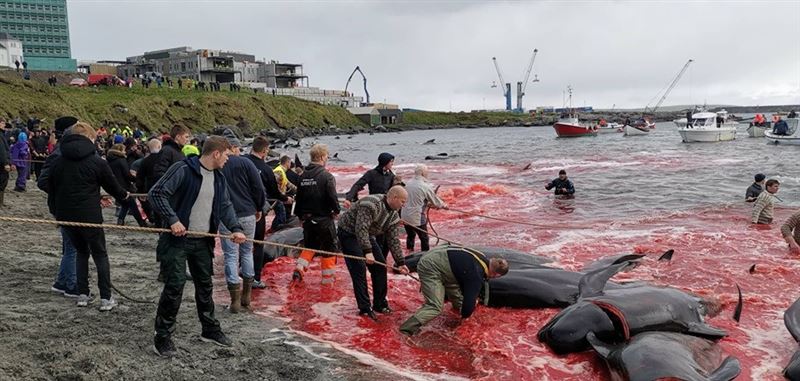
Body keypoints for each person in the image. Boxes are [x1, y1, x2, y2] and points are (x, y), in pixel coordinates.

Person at [148, 136, 246, 357]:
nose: (229, 160)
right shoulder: (182, 169)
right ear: (216, 154)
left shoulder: (219, 178)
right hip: (176, 241)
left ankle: (210, 329)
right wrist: (173, 219)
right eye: (227, 155)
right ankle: (162, 338)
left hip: (202, 241)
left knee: (205, 285)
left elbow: (225, 205)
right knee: (175, 287)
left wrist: (236, 228)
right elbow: (156, 193)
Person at [47, 122, 130, 311]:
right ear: (89, 139)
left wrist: (56, 213)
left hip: (66, 216)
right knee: (100, 254)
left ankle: (83, 295)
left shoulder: (57, 161)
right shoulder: (96, 162)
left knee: (81, 253)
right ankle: (105, 298)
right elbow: (113, 186)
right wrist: (124, 196)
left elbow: (52, 190)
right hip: (90, 216)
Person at [399, 245, 509, 335]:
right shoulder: (476, 276)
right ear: (496, 275)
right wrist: (465, 317)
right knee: (435, 306)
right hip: (431, 266)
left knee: (455, 291)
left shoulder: (482, 257)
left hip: (440, 258)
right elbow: (468, 305)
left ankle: (456, 308)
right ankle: (406, 329)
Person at [338, 186, 410, 320]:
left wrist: (400, 262)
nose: (404, 205)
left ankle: (380, 304)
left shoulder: (394, 216)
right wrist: (367, 251)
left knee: (380, 266)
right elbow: (361, 228)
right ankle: (365, 309)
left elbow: (393, 240)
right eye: (402, 201)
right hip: (348, 232)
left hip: (368, 234)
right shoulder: (371, 204)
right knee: (359, 269)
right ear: (394, 198)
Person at [218, 130, 265, 313]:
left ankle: (235, 300)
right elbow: (258, 187)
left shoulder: (218, 165)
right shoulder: (246, 162)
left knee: (230, 255)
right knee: (247, 252)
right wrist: (260, 207)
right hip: (247, 214)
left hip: (226, 215)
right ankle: (247, 296)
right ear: (234, 147)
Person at [39, 116, 82, 297]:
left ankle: (61, 281)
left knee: (69, 245)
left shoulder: (63, 150)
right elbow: (43, 181)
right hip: (65, 205)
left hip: (65, 204)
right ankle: (71, 285)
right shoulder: (60, 153)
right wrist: (63, 191)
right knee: (73, 246)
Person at [245, 137, 291, 289]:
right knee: (258, 244)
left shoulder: (242, 161)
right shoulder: (265, 169)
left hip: (237, 208)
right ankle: (255, 277)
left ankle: (240, 270)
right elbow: (273, 191)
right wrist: (286, 199)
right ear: (265, 151)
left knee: (239, 243)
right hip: (257, 210)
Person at [291, 144, 340, 285]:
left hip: (307, 219)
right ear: (322, 157)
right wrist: (336, 211)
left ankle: (299, 269)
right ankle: (327, 281)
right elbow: (332, 197)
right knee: (329, 249)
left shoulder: (302, 176)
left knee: (310, 246)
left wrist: (300, 216)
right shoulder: (327, 176)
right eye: (327, 156)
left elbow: (298, 198)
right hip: (324, 219)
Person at [401, 164, 447, 252]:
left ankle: (409, 253)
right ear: (422, 173)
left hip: (405, 215)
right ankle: (424, 255)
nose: (427, 174)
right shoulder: (424, 186)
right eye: (426, 172)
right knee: (424, 238)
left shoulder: (408, 183)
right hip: (416, 216)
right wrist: (444, 206)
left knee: (410, 235)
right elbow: (436, 201)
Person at [106, 144, 148, 227]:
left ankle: (120, 221)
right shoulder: (121, 160)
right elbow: (127, 175)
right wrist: (136, 178)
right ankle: (141, 223)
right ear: (120, 150)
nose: (125, 152)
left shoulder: (109, 160)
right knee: (132, 205)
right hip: (124, 186)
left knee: (125, 204)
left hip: (114, 186)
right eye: (124, 150)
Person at [272, 155, 295, 230]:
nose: (290, 165)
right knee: (281, 214)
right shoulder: (279, 171)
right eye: (290, 163)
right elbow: (273, 184)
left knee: (281, 213)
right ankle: (276, 229)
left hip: (280, 197)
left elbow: (288, 183)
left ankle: (275, 228)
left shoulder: (282, 171)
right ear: (287, 162)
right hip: (277, 197)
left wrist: (299, 190)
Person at [0, 118, 10, 207]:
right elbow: (2, 150)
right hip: (1, 164)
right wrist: (5, 163)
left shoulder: (2, 135)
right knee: (2, 181)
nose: (4, 125)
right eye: (2, 123)